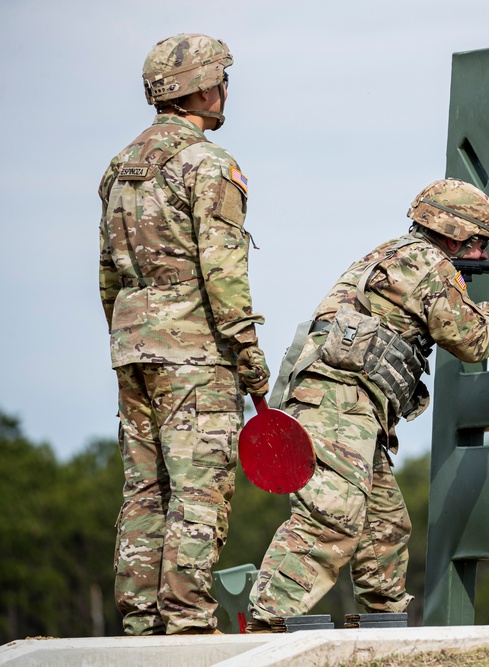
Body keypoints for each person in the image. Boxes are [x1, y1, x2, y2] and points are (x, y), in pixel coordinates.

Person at [247, 178, 489, 629]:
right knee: (332, 520)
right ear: (453, 233)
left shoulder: (400, 254)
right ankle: (265, 625)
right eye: (479, 244)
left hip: (348, 407)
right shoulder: (428, 266)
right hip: (338, 403)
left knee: (383, 530)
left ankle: (382, 634)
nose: (482, 256)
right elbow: (474, 340)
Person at [98, 33, 270, 636]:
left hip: (133, 350)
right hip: (196, 356)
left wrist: (131, 338)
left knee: (144, 488)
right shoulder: (211, 165)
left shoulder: (119, 168)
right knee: (199, 488)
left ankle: (141, 624)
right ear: (198, 87)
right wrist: (251, 362)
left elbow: (106, 276)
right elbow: (224, 274)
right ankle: (188, 624)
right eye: (220, 78)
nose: (226, 89)